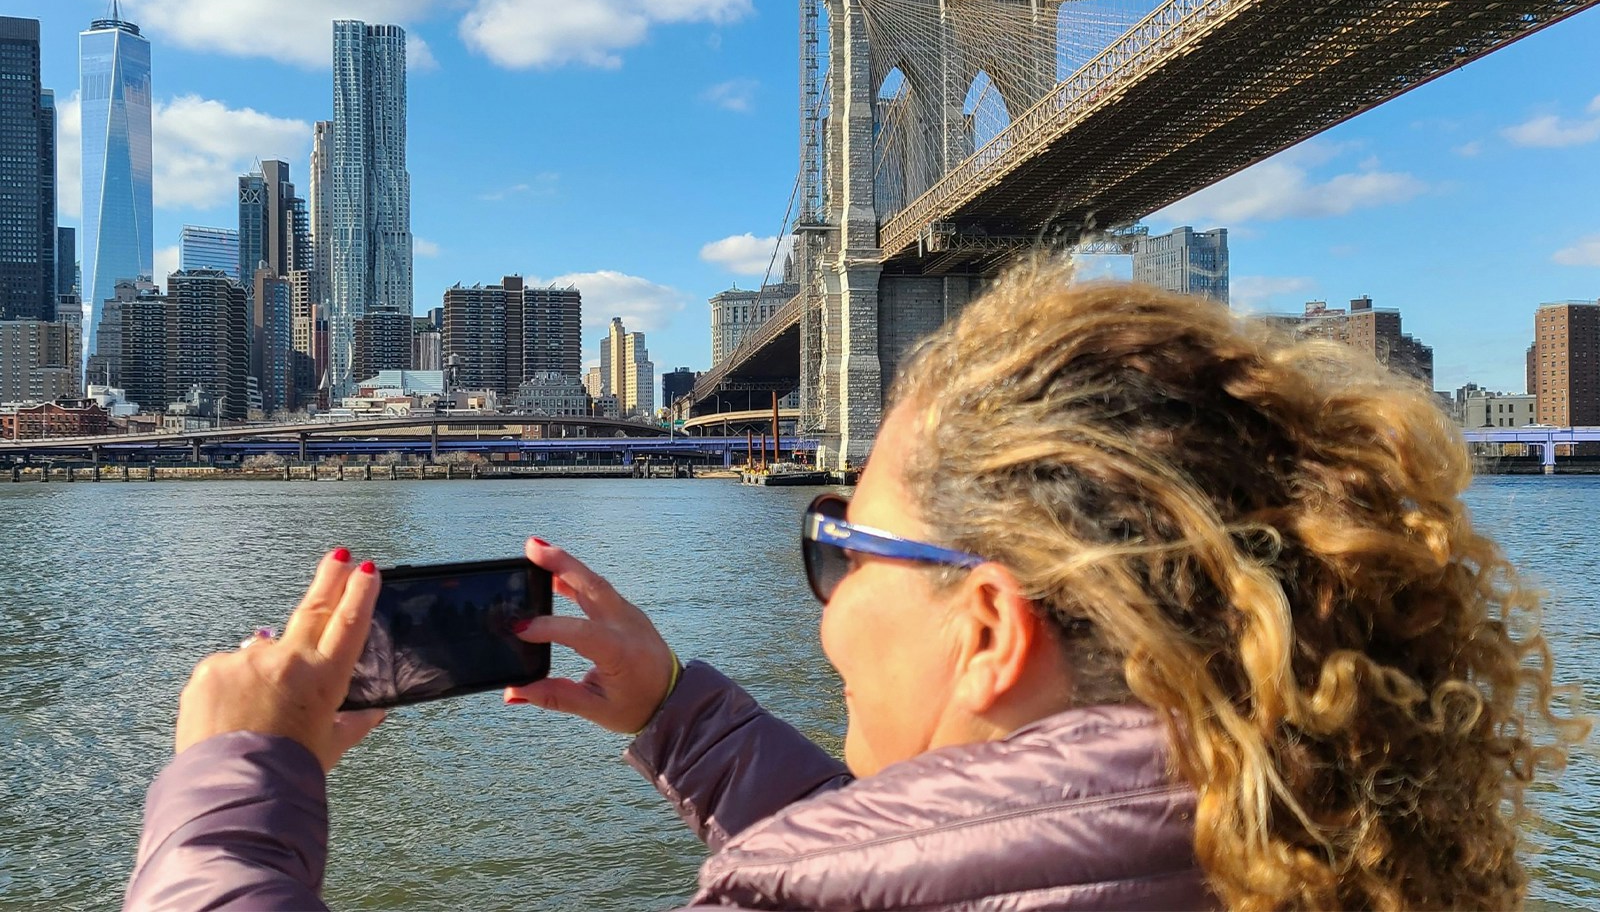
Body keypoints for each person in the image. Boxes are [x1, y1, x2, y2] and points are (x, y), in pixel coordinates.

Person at [125, 259, 1588, 910]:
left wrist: (237, 786)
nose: (823, 600)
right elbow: (990, 867)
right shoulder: (1299, 848)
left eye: (843, 548)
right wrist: (682, 720)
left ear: (991, 629)